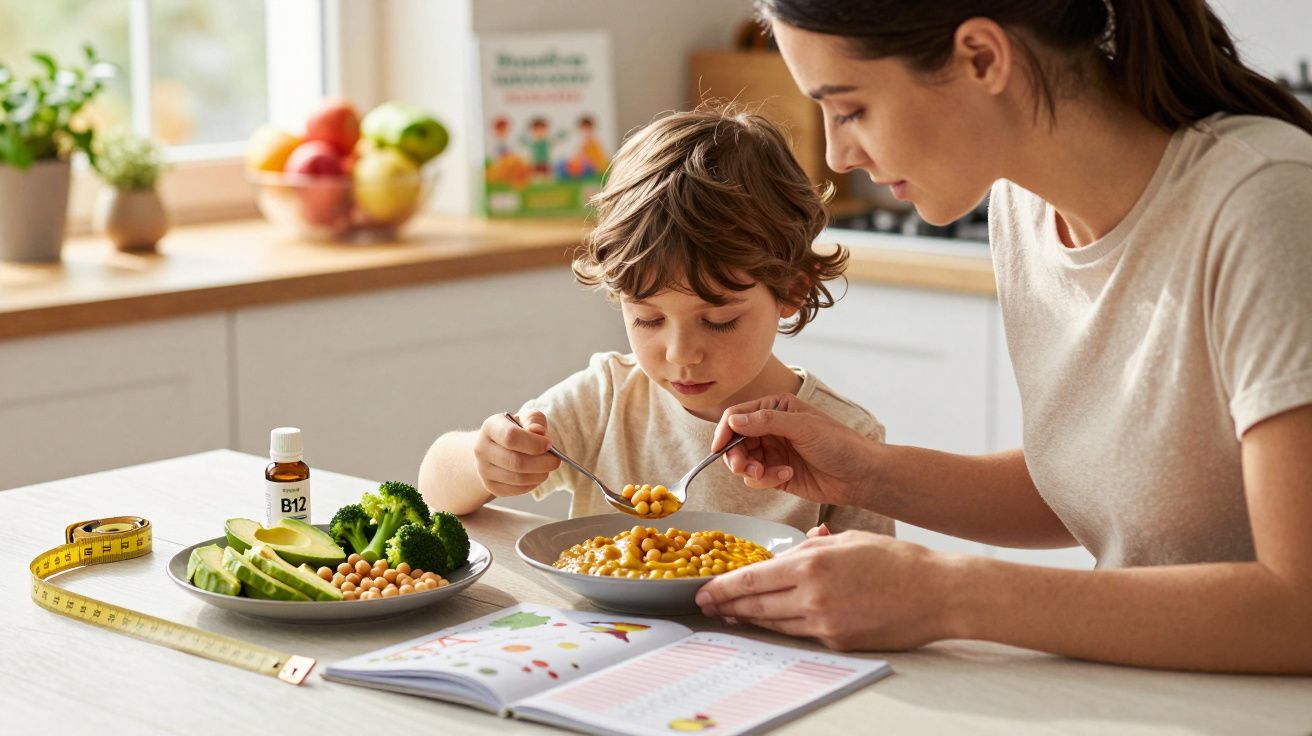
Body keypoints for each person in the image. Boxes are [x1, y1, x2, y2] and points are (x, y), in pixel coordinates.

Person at [695, 0, 1312, 674]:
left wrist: (949, 594)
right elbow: (1114, 484)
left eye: (850, 109)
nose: (838, 156)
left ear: (983, 58)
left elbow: (1299, 609)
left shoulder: (1267, 205)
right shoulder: (1025, 209)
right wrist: (864, 473)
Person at [418, 106, 893, 538]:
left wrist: (837, 573)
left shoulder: (846, 438)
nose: (680, 353)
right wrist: (485, 461)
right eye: (647, 318)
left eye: (720, 321)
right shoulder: (607, 398)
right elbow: (435, 486)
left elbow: (876, 597)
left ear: (792, 289)